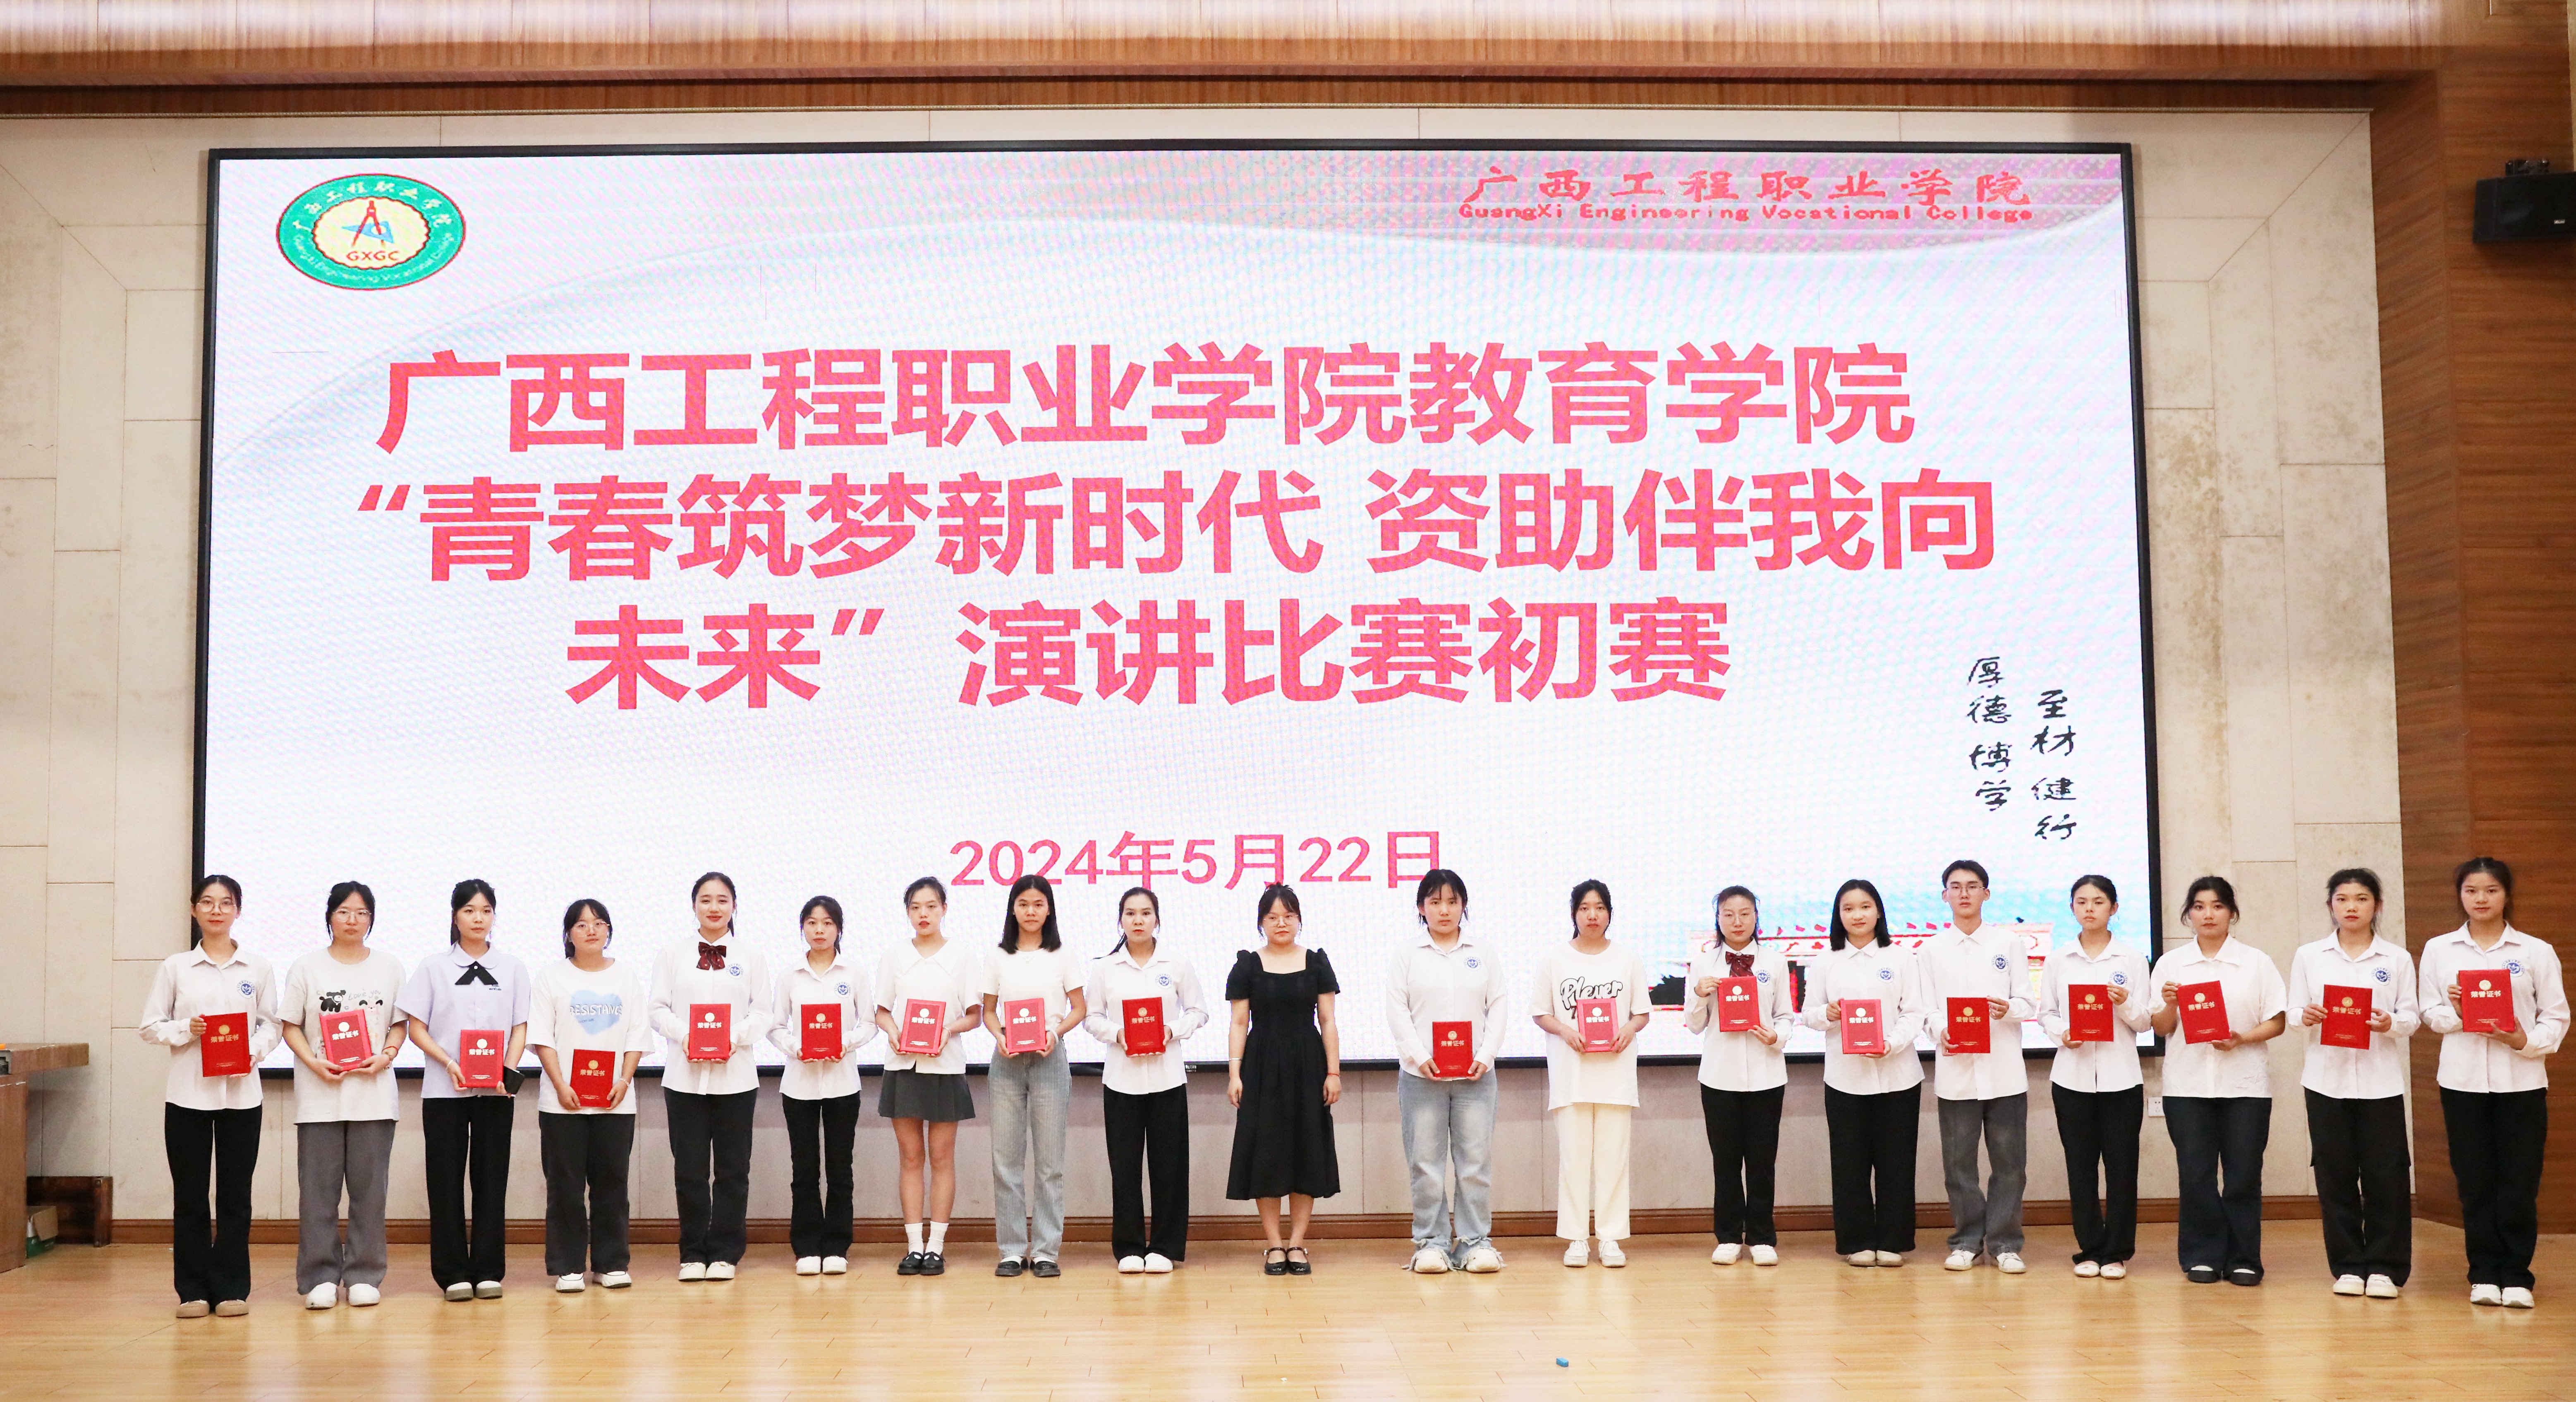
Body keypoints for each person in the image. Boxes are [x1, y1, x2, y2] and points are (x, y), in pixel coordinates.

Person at [2417, 857, 2568, 1309]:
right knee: (2475, 1180)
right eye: (2471, 891)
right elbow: (2429, 1012)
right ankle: (2483, 1274)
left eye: (2491, 890)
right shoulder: (2440, 949)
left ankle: (2517, 1275)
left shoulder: (2535, 951)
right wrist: (2457, 1013)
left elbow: (2556, 1016)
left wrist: (2524, 1040)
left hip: (2521, 1081)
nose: (2480, 899)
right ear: (2460, 896)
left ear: (2507, 895)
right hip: (2462, 1082)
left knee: (2519, 1181)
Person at [141, 875, 276, 1318]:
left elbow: (272, 1024)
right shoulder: (176, 967)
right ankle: (193, 1291)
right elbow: (150, 1027)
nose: (217, 910)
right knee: (191, 1198)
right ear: (194, 910)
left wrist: (252, 1051)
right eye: (208, 902)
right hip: (188, 1097)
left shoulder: (257, 968)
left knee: (236, 1197)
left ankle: (232, 1288)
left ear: (238, 911)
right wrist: (187, 1029)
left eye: (226, 903)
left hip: (242, 1097)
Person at [2287, 868, 2419, 1299]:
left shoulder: (2395, 959)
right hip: (2325, 1081)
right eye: (2342, 899)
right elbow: (2293, 1013)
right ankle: (2347, 1265)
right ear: (2331, 906)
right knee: (2334, 1174)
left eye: (2362, 899)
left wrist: (2389, 1023)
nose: (2351, 907)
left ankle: (2385, 1267)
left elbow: (2411, 1017)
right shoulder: (2310, 956)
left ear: (2377, 906)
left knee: (2387, 1176)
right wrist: (2306, 1016)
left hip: (2380, 1082)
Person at [2150, 875, 2288, 1286]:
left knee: (2243, 1174)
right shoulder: (2171, 964)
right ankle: (2203, 1256)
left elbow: (2278, 1021)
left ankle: (2244, 1258)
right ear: (2188, 915)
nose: (2208, 914)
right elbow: (2161, 1027)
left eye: (2217, 906)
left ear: (2232, 913)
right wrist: (2170, 1004)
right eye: (2199, 907)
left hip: (2245, 1086)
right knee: (2196, 1175)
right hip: (2187, 1086)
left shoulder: (2256, 962)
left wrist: (2242, 1038)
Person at [399, 878, 532, 1301]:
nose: (479, 919)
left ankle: (489, 1269)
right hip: (444, 1089)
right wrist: (449, 1063)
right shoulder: (433, 967)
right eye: (470, 911)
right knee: (445, 1181)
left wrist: (507, 1069)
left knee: (492, 1180)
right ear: (455, 917)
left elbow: (520, 1026)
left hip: (496, 1092)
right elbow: (416, 1028)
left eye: (486, 911)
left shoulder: (513, 968)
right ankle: (453, 1272)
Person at [278, 881, 407, 1310]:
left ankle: (365, 1275)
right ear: (330, 917)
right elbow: (290, 1025)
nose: (353, 920)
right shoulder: (307, 967)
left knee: (370, 1194)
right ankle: (320, 1277)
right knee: (318, 1194)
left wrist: (387, 1055)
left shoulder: (389, 966)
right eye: (344, 912)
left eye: (362, 913)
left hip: (374, 1096)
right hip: (320, 1096)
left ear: (372, 919)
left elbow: (399, 1024)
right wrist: (313, 1063)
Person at [1384, 868, 1510, 1275]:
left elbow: (1499, 1005)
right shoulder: (1407, 954)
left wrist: (1486, 1055)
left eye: (1452, 902)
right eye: (1435, 902)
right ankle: (1432, 1244)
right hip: (1421, 1077)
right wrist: (1419, 1055)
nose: (1444, 910)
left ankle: (1475, 1243)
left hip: (1476, 1077)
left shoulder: (1483, 952)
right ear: (1421, 907)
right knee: (1425, 1165)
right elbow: (1397, 1009)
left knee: (1475, 1163)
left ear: (1463, 906)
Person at [649, 871, 771, 1282]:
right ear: (694, 906)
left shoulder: (751, 956)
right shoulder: (672, 955)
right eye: (705, 900)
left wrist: (732, 1039)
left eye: (722, 900)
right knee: (690, 1170)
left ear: (734, 906)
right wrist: (687, 1036)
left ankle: (725, 1253)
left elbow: (763, 1012)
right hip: (684, 1079)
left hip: (736, 1079)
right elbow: (657, 1009)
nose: (714, 907)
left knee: (733, 1170)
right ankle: (692, 1253)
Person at [1799, 878, 1924, 1268]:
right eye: (1848, 908)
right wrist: (1827, 1014)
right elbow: (1808, 1014)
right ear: (1838, 915)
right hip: (1845, 1078)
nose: (1858, 915)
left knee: (1897, 1162)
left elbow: (1915, 1013)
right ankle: (1857, 1242)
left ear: (1879, 912)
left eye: (1865, 906)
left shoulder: (1901, 958)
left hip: (1898, 1075)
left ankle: (1893, 1241)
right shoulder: (1825, 961)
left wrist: (1891, 1043)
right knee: (1849, 1164)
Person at [528, 898, 651, 1293]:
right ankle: (568, 1266)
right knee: (565, 1186)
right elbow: (542, 1037)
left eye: (599, 923)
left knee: (612, 1184)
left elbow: (636, 1034)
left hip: (616, 1100)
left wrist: (625, 1081)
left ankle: (611, 1263)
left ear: (609, 931)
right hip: (562, 1102)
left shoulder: (626, 977)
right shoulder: (551, 977)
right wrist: (561, 1084)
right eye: (582, 925)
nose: (591, 930)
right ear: (569, 934)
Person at [1085, 887, 1209, 1274]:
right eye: (1130, 913)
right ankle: (1129, 1248)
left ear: (1157, 919)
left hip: (1168, 1079)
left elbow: (1199, 1011)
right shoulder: (1105, 968)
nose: (1138, 920)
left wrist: (1172, 1030)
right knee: (1124, 1169)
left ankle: (1165, 1247)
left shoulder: (1177, 963)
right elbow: (1091, 1018)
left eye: (1145, 913)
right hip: (1121, 1081)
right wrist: (1118, 1034)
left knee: (1169, 1167)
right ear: (1120, 920)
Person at [1530, 879, 1653, 1268]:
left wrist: (1629, 1029)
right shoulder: (1555, 960)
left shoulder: (1627, 959)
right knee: (1574, 1160)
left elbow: (1642, 1013)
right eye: (1585, 908)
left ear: (1610, 914)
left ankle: (1611, 1238)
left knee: (1614, 1160)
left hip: (1616, 1073)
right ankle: (1577, 1239)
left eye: (1600, 908)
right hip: (1572, 1075)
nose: (1593, 915)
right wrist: (1565, 1031)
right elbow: (1540, 1012)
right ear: (1574, 914)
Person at [2036, 875, 2154, 1279]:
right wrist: (2062, 1034)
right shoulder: (2058, 959)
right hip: (2072, 1079)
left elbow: (2145, 1021)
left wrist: (2124, 1004)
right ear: (2072, 908)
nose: (2090, 909)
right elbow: (2047, 1014)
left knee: (2122, 1168)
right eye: (2082, 902)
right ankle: (2090, 1249)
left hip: (2122, 1079)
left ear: (2114, 908)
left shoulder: (2132, 959)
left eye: (2099, 901)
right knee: (2081, 1167)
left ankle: (2117, 1252)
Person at [1919, 860, 2033, 1275]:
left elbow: (2027, 1003)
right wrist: (1940, 1029)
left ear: (1987, 893)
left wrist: (2008, 1009)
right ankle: (1966, 1242)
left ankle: (2005, 1244)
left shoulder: (2009, 943)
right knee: (1959, 1166)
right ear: (1944, 895)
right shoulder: (1931, 949)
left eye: (1972, 886)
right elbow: (1925, 1009)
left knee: (2010, 1165)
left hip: (2004, 1073)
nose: (1964, 893)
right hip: (1957, 1074)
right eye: (1956, 886)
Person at [1226, 883, 1342, 1276]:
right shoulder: (1247, 965)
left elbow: (1328, 1021)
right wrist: (1235, 1074)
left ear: (1299, 920)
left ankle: (1297, 1243)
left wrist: (1333, 1072)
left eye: (1289, 916)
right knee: (1267, 1153)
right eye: (1273, 917)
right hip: (1261, 1067)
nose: (1281, 923)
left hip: (1308, 1065)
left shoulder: (1316, 962)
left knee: (1306, 1151)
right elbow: (1239, 1023)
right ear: (1261, 922)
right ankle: (1274, 1243)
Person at [875, 876, 985, 1277]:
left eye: (931, 906)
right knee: (910, 1158)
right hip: (903, 1066)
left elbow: (974, 1015)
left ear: (944, 909)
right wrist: (893, 1032)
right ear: (908, 912)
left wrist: (947, 1031)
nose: (923, 914)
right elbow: (882, 1010)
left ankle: (936, 1247)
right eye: (915, 907)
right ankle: (913, 1247)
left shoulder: (963, 955)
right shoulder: (894, 955)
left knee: (941, 1157)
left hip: (945, 1067)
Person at [981, 876, 1088, 1278]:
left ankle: (1045, 1251)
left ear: (1049, 910)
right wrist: (999, 1035)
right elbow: (989, 1011)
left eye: (1038, 904)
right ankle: (1011, 1250)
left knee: (1050, 1164)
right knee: (1005, 1161)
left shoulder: (1063, 954)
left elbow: (1079, 1008)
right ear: (1013, 909)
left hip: (1050, 1060)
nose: (1030, 911)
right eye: (1023, 904)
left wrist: (1055, 1033)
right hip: (1006, 1063)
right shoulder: (998, 956)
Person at [768, 895, 874, 1278]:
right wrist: (796, 1048)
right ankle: (807, 1246)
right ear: (803, 928)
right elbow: (775, 1026)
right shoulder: (789, 976)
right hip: (799, 1086)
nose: (819, 930)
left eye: (828, 923)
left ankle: (837, 1246)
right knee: (804, 1169)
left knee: (840, 1169)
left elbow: (870, 1023)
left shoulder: (854, 973)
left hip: (843, 1084)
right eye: (812, 923)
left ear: (838, 929)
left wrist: (845, 1043)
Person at [1684, 885, 1790, 1267]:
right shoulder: (1704, 964)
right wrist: (1699, 994)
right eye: (1728, 914)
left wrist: (1777, 1036)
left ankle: (1761, 1237)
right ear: (1718, 919)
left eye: (1745, 913)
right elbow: (1694, 1024)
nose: (1737, 921)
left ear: (1756, 917)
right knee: (1725, 1162)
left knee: (1762, 1162)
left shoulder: (1774, 962)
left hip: (1766, 1075)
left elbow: (1785, 1016)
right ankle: (1728, 1236)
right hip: (1719, 1076)